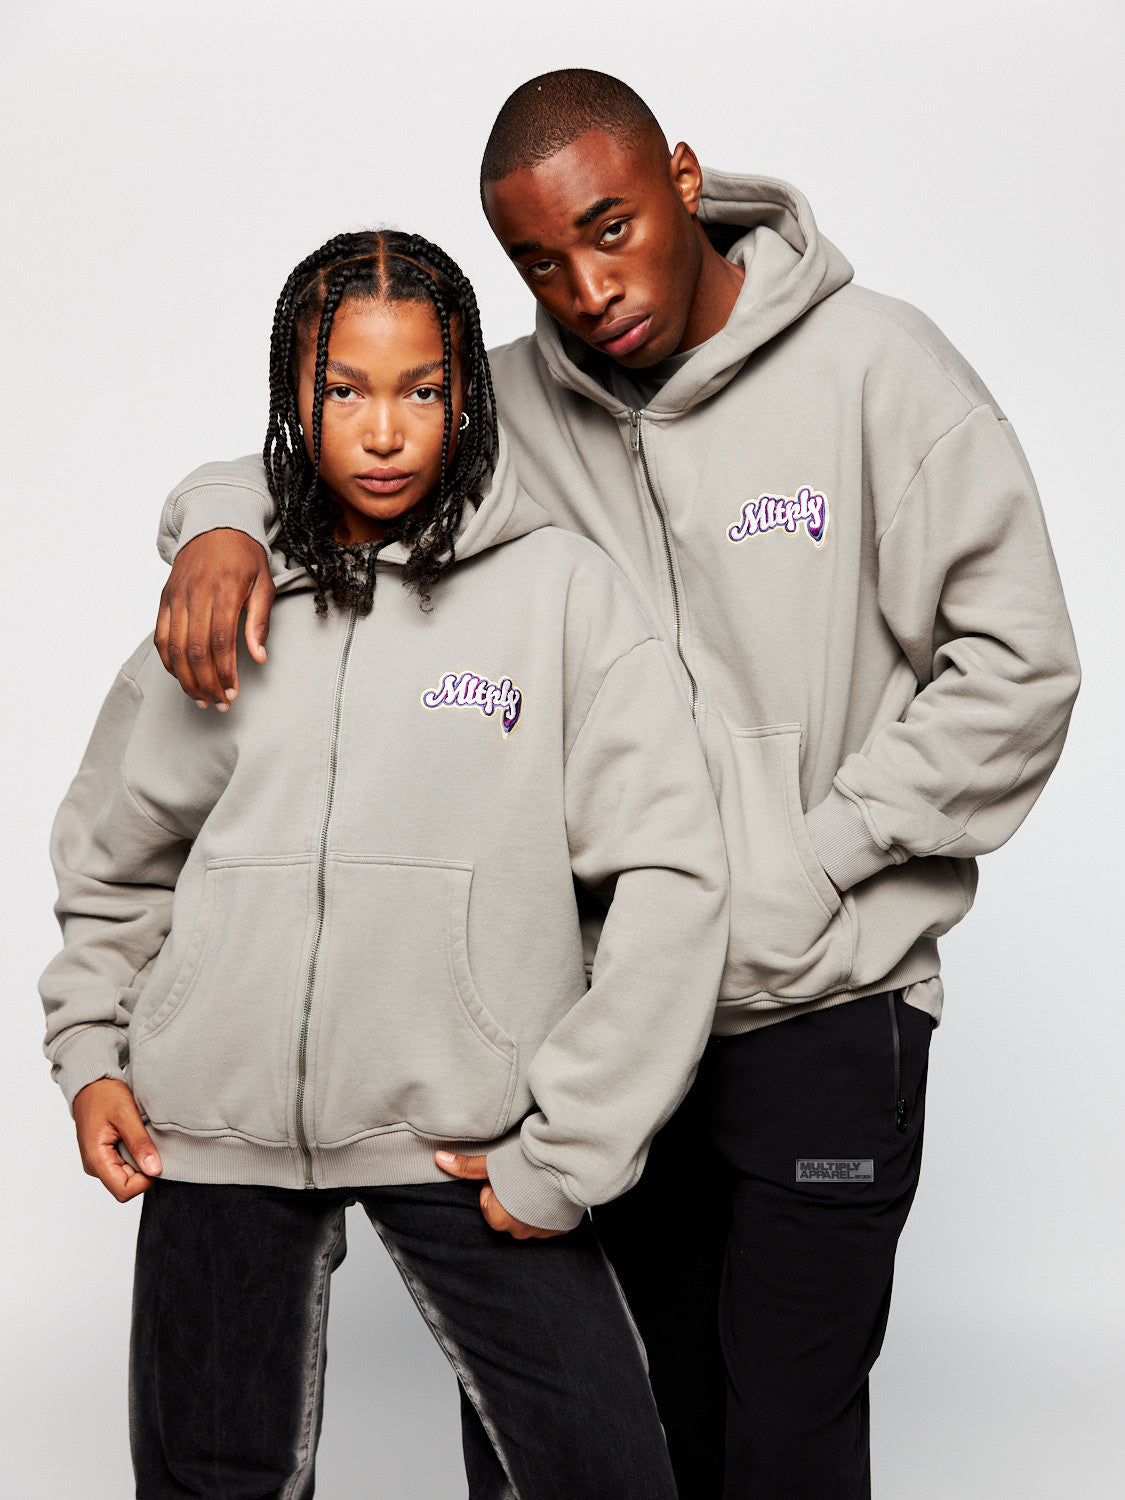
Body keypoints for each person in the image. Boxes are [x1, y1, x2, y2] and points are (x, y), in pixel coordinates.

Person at [147, 71, 1081, 1500]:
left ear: (683, 181)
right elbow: (340, 453)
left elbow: (1019, 666)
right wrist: (218, 525)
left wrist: (812, 858)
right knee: (592, 1443)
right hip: (593, 1024)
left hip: (820, 1005)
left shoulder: (880, 371)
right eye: (539, 264)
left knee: (783, 1441)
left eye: (611, 230)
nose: (587, 291)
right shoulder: (507, 410)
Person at [40, 228, 731, 1500]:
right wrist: (91, 1053)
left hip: (470, 1129)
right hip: (214, 1133)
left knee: (604, 1470)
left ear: (466, 393)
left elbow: (673, 876)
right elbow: (118, 863)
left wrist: (572, 1145)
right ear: (292, 397)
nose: (383, 431)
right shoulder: (225, 601)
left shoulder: (559, 594)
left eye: (421, 389)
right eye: (344, 389)